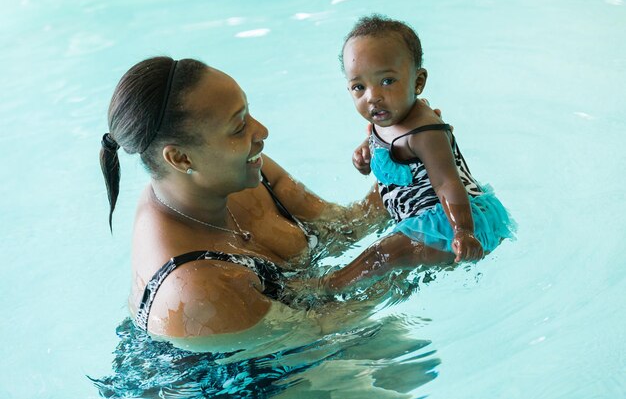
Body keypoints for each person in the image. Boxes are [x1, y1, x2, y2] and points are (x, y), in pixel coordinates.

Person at [100, 56, 467, 340]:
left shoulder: (240, 172)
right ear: (181, 158)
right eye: (239, 126)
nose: (261, 132)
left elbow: (342, 227)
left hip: (299, 335)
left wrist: (412, 160)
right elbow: (318, 331)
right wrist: (407, 260)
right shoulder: (195, 288)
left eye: (247, 113)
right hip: (237, 379)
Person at [342, 15, 516, 265]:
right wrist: (364, 153)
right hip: (419, 215)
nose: (373, 96)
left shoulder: (424, 133)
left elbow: (446, 183)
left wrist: (463, 232)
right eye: (359, 86)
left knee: (382, 255)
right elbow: (380, 143)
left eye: (387, 81)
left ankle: (326, 286)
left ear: (418, 82)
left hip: (451, 223)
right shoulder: (386, 116)